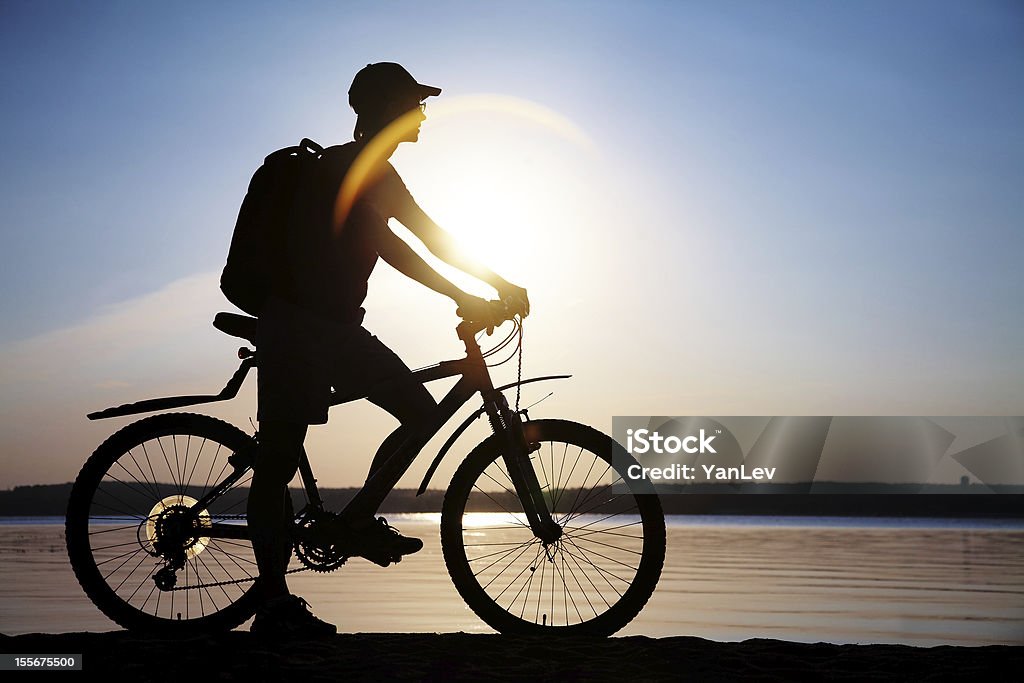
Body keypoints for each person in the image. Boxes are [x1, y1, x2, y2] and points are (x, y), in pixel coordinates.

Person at [247, 62, 529, 636]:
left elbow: (424, 236)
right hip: (301, 327)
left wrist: (489, 285)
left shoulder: (369, 172)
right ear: (386, 110)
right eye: (415, 104)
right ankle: (274, 603)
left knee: (411, 416)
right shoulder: (355, 171)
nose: (424, 114)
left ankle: (351, 523)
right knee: (278, 459)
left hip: (329, 328)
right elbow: (404, 246)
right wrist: (474, 291)